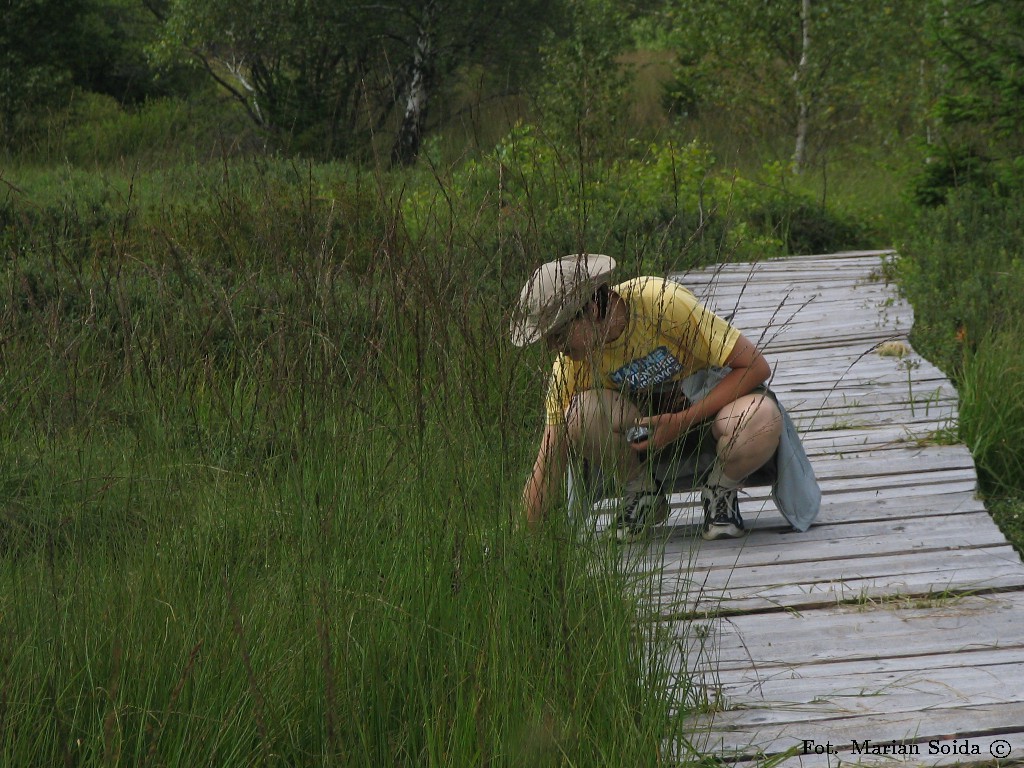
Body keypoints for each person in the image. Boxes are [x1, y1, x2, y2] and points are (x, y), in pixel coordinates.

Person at [510, 253, 820, 540]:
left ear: (592, 310)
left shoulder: (661, 303)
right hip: (643, 442)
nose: (553, 346)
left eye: (558, 334)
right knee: (579, 413)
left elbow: (754, 366)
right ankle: (642, 493)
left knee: (762, 418)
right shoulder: (571, 364)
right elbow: (549, 455)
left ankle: (720, 489)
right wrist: (520, 541)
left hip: (709, 422)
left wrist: (681, 421)